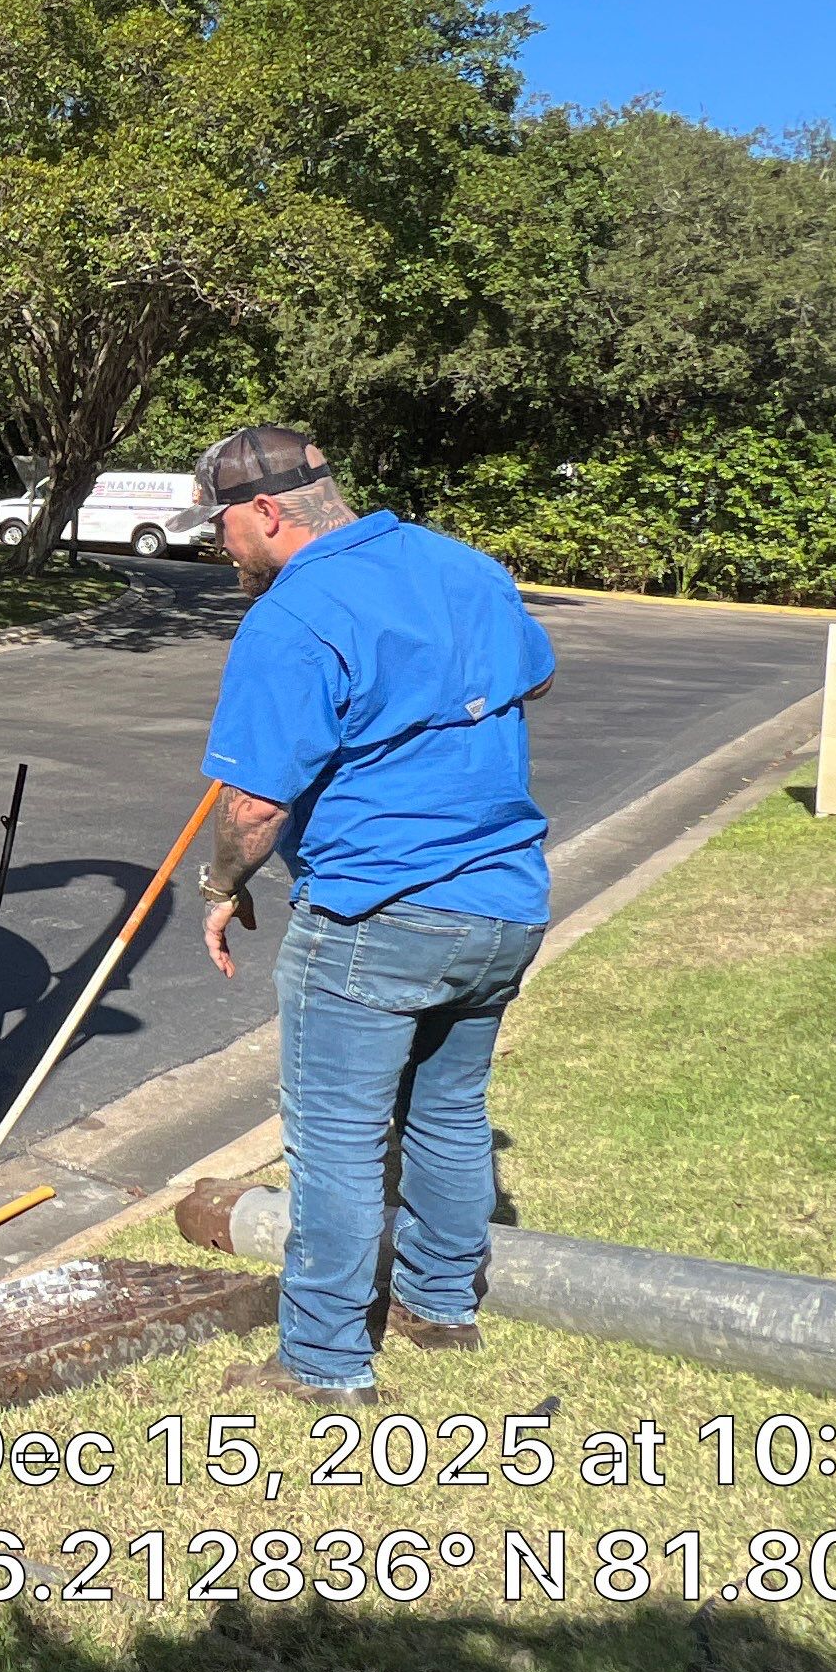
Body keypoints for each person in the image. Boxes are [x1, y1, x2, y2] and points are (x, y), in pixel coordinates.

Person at [183, 425, 555, 1403]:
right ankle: (438, 1305)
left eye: (220, 526)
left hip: (376, 914)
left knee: (338, 1141)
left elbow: (255, 808)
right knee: (448, 1112)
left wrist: (221, 887)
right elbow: (536, 675)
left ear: (266, 514)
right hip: (504, 904)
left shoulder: (291, 618)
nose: (218, 546)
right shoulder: (468, 569)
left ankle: (323, 1361)